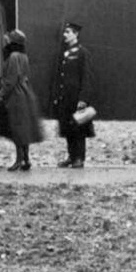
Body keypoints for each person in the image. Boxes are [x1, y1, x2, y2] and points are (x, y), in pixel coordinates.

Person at [0, 29, 44, 170]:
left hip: (15, 97)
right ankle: (26, 159)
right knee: (23, 129)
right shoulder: (23, 56)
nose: (6, 40)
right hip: (25, 94)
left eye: (9, 38)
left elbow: (10, 80)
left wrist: (2, 94)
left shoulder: (13, 56)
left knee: (16, 129)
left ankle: (19, 160)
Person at [49, 22, 94, 168]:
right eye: (65, 32)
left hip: (76, 98)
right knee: (67, 127)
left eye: (68, 32)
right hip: (65, 97)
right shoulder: (65, 53)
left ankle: (79, 157)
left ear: (76, 34)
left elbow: (86, 77)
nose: (65, 35)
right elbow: (60, 76)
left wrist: (83, 99)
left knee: (78, 128)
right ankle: (71, 156)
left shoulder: (82, 53)